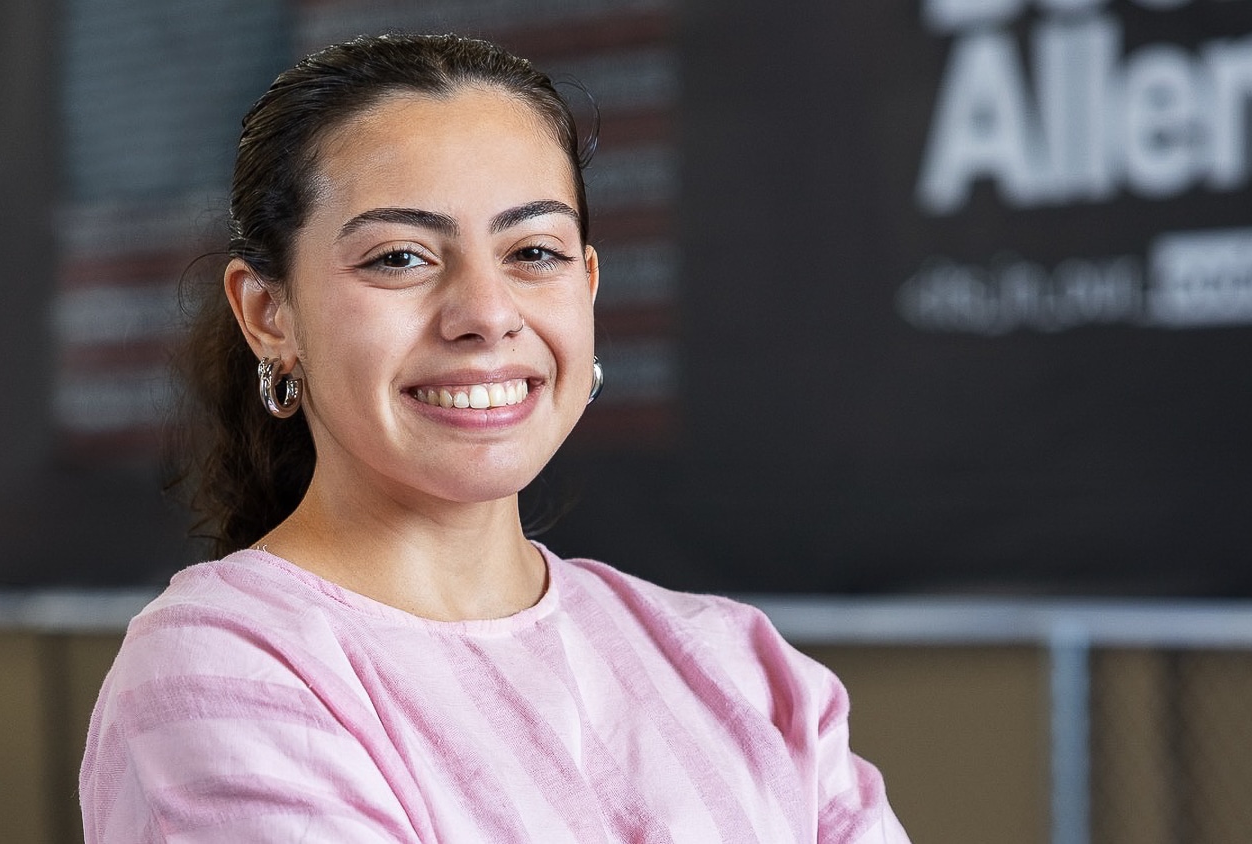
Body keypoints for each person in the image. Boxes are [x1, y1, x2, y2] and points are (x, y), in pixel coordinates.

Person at [79, 33, 909, 843]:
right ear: (269, 315)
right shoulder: (222, 667)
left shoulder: (738, 667)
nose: (486, 314)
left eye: (533, 251)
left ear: (587, 284)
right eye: (400, 257)